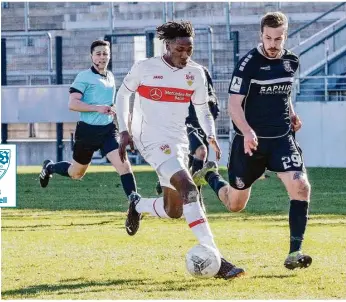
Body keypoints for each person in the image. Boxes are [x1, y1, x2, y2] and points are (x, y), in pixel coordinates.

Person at [116, 20, 244, 279]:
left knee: (174, 209)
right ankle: (217, 259)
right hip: (149, 138)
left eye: (189, 50)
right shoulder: (145, 67)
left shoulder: (195, 74)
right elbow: (122, 95)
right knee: (189, 188)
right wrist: (124, 130)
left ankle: (137, 204)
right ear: (167, 45)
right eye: (179, 49)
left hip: (178, 141)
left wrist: (211, 135)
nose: (185, 55)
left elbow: (202, 108)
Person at [193, 12, 312, 270]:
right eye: (268, 38)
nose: (272, 44)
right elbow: (233, 104)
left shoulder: (291, 60)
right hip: (250, 143)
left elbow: (285, 92)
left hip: (281, 139)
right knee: (235, 205)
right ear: (261, 35)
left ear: (285, 36)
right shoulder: (248, 63)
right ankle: (210, 176)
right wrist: (247, 131)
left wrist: (292, 114)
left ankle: (295, 251)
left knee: (301, 187)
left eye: (277, 39)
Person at [39, 40, 137, 200]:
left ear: (109, 56)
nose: (102, 57)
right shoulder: (84, 77)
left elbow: (109, 104)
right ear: (91, 56)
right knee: (76, 173)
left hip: (108, 131)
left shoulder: (110, 77)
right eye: (98, 54)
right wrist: (97, 107)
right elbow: (73, 103)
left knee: (124, 166)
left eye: (105, 54)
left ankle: (134, 204)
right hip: (87, 132)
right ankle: (50, 167)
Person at [155, 65, 220, 210]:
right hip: (183, 123)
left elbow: (212, 97)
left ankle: (167, 179)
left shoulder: (202, 71)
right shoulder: (169, 74)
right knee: (201, 152)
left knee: (188, 162)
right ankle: (196, 201)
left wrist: (212, 117)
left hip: (200, 124)